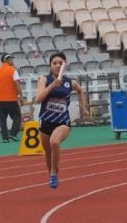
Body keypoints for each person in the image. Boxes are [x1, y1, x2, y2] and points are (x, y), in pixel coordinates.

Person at [34, 52, 89, 189]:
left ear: (64, 65)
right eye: (54, 63)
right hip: (46, 121)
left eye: (60, 63)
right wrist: (52, 85)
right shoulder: (44, 80)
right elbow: (38, 99)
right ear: (50, 66)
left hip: (63, 122)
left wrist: (83, 108)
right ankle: (52, 171)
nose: (57, 65)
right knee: (48, 152)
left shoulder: (70, 82)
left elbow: (81, 90)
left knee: (54, 142)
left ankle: (53, 173)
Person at [0, 53, 23, 142]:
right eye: (11, 59)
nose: (13, 61)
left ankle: (5, 138)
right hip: (11, 99)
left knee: (2, 120)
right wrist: (21, 96)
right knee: (17, 117)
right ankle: (13, 134)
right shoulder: (13, 70)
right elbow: (17, 84)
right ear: (7, 60)